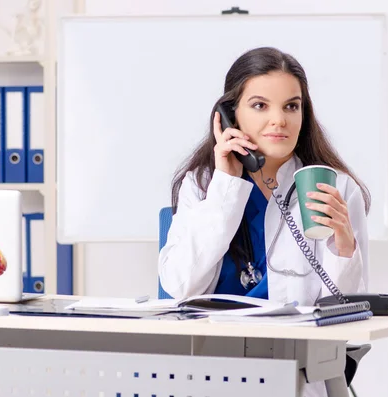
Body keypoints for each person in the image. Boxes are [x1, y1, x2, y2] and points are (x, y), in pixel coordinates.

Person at [158, 47, 370, 308]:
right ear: (231, 115)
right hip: (213, 342)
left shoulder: (337, 187)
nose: (279, 120)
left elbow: (348, 307)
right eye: (260, 105)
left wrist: (345, 249)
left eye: (291, 106)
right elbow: (180, 285)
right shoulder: (201, 184)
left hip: (295, 344)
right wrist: (225, 186)